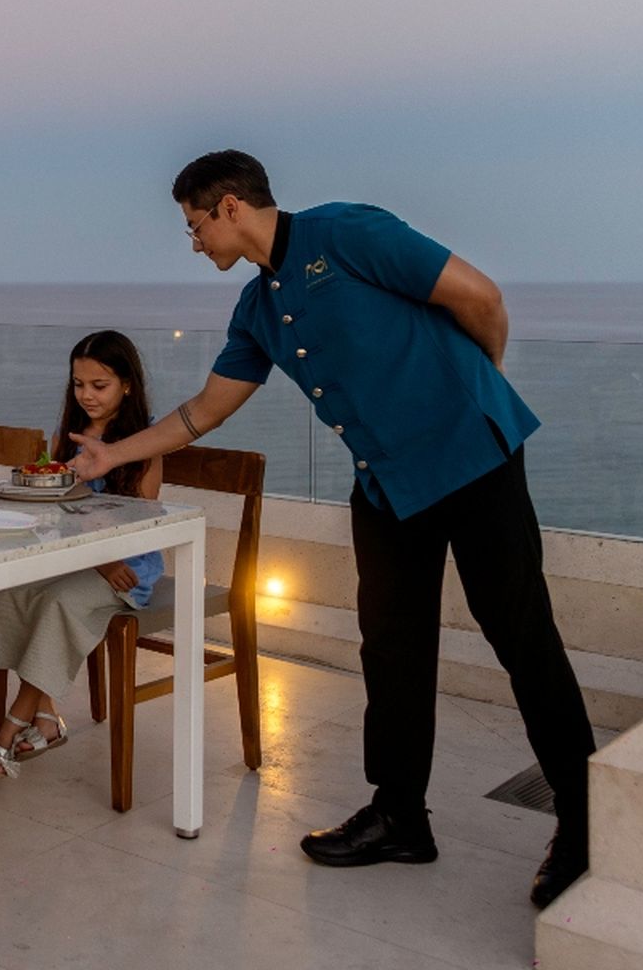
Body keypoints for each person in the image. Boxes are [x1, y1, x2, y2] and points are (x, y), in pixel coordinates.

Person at [69, 150, 596, 910]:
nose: (193, 243)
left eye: (193, 227)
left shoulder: (346, 233)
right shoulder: (255, 310)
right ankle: (400, 817)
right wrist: (111, 453)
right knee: (391, 649)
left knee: (521, 636)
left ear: (228, 208)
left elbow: (481, 298)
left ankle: (583, 822)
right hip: (384, 484)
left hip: (472, 457)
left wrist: (475, 387)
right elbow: (206, 411)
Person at [0, 330, 163, 778]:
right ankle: (45, 717)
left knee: (58, 603)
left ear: (127, 385)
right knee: (12, 591)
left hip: (127, 567)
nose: (87, 395)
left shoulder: (143, 440)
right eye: (79, 385)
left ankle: (11, 724)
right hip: (77, 557)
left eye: (100, 386)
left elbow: (142, 518)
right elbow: (57, 503)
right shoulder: (70, 433)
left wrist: (105, 559)